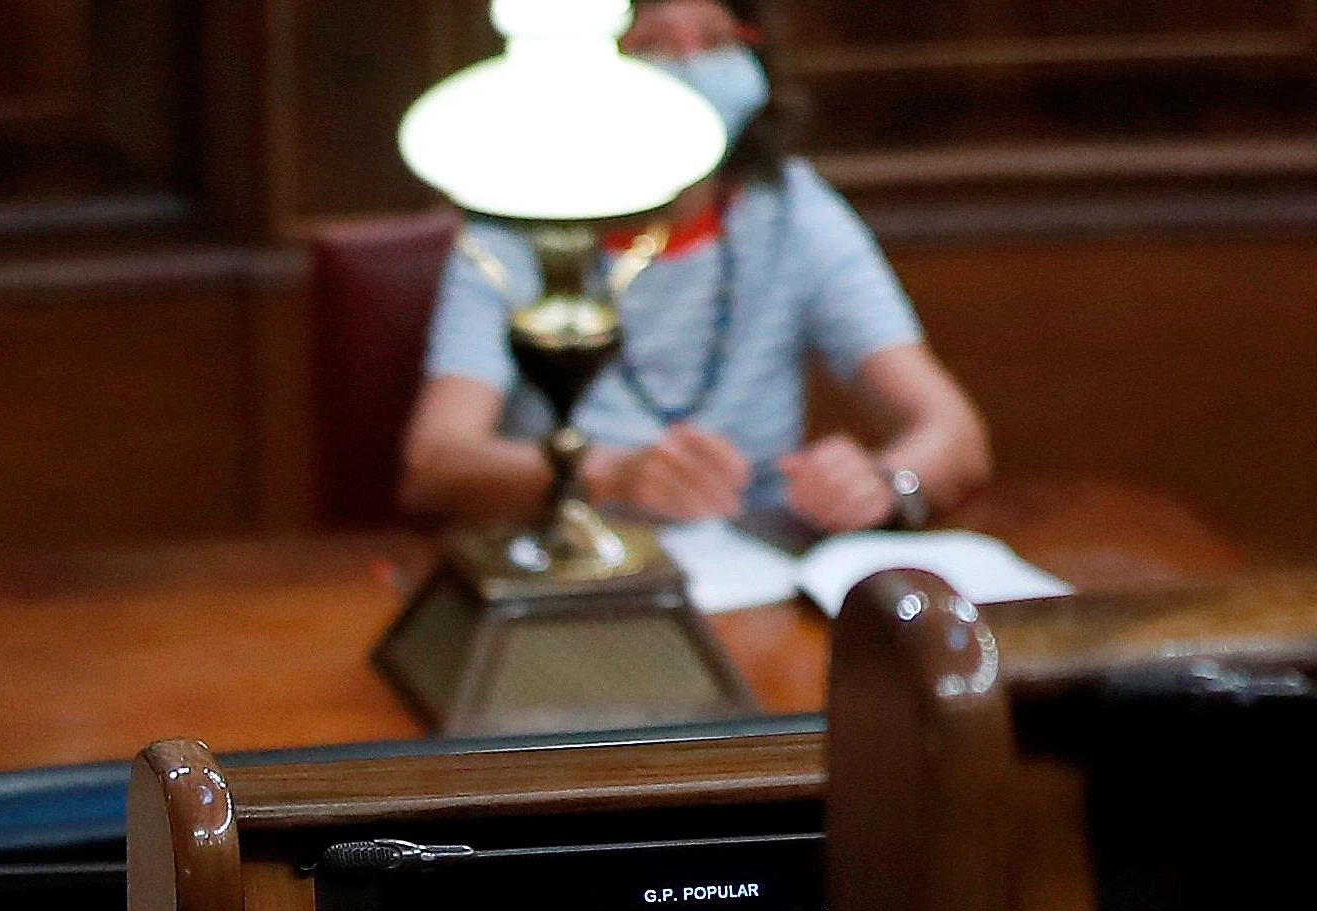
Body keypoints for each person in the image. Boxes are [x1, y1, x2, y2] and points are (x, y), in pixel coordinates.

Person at [399, 0, 991, 538]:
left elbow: (953, 432)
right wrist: (610, 476)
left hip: (759, 558)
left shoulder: (791, 209)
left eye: (717, 40)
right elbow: (437, 464)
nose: (692, 64)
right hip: (572, 554)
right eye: (654, 43)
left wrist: (886, 482)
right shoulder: (515, 221)